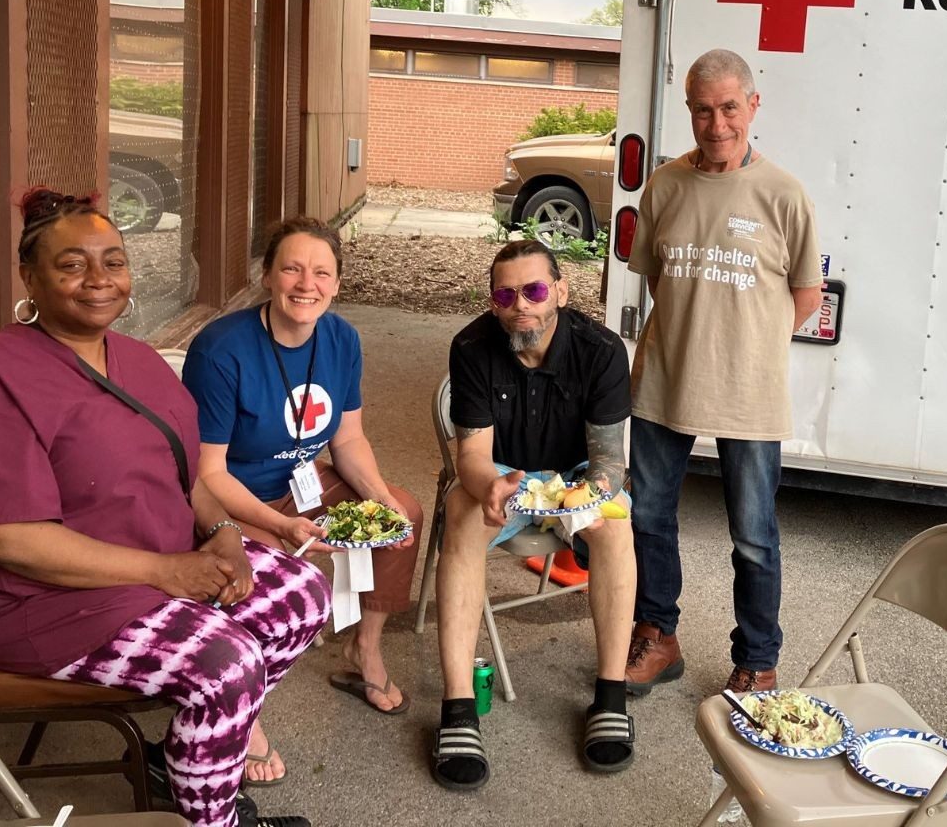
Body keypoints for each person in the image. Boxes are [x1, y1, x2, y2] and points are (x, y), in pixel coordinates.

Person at [0, 188, 325, 827]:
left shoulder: (136, 359)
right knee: (228, 665)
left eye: (113, 261)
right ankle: (209, 817)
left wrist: (221, 530)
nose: (98, 280)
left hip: (159, 561)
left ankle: (187, 755)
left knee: (301, 593)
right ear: (29, 276)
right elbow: (3, 540)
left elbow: (186, 471)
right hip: (45, 603)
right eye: (72, 264)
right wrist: (168, 573)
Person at [624, 48, 823, 698]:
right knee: (650, 516)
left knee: (754, 537)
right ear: (689, 111)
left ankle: (757, 660)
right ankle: (658, 634)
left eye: (730, 108)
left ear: (753, 105)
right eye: (703, 111)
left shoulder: (785, 195)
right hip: (664, 378)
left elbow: (805, 295)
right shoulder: (665, 186)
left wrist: (748, 345)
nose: (717, 125)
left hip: (750, 392)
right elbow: (657, 273)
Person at [182, 216, 423, 740]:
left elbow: (348, 439)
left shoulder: (341, 338)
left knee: (404, 514)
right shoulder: (221, 350)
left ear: (337, 283)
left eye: (321, 272)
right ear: (268, 276)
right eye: (291, 268)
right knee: (273, 567)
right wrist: (278, 525)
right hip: (234, 498)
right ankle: (245, 708)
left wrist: (380, 498)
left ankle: (365, 648)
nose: (306, 284)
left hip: (303, 483)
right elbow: (207, 474)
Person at [431, 239, 636, 792]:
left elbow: (610, 460)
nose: (520, 303)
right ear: (493, 301)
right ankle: (457, 708)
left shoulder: (601, 350)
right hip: (504, 472)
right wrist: (490, 487)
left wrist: (590, 496)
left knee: (615, 524)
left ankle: (610, 695)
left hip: (573, 475)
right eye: (506, 293)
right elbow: (471, 458)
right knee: (462, 513)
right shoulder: (472, 347)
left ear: (561, 293)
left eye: (535, 290)